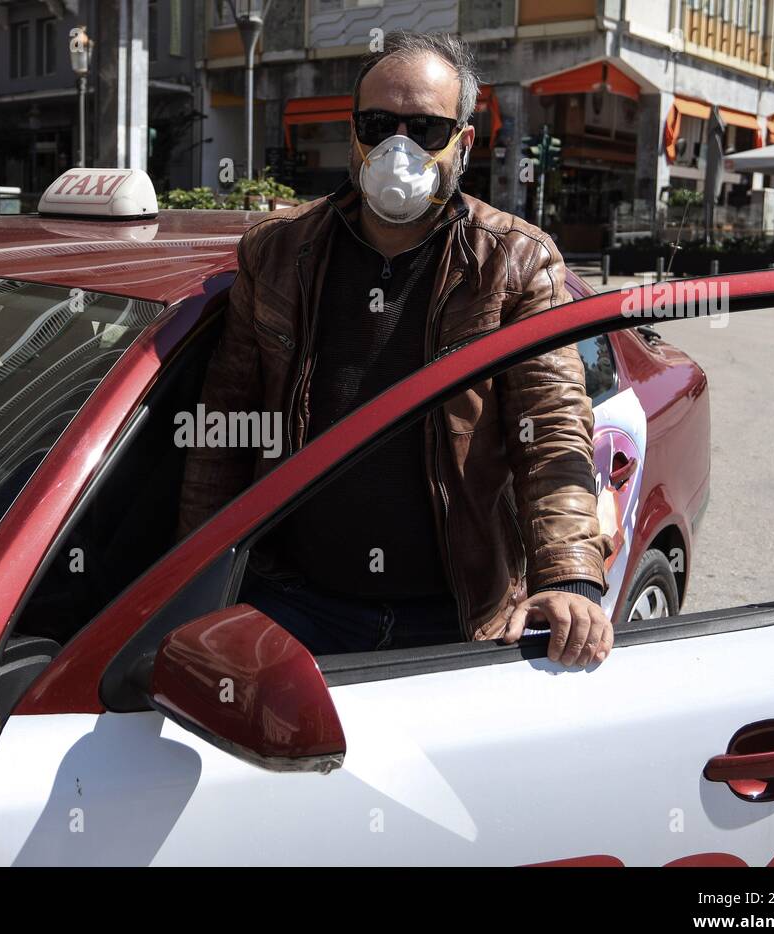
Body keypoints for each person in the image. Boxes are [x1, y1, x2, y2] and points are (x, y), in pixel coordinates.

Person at [177, 31, 613, 666]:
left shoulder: (516, 261)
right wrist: (194, 583)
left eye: (425, 129)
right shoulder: (276, 253)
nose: (398, 148)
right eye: (379, 124)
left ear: (464, 143)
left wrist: (569, 578)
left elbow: (550, 430)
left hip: (455, 617)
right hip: (291, 607)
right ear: (354, 133)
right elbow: (224, 425)